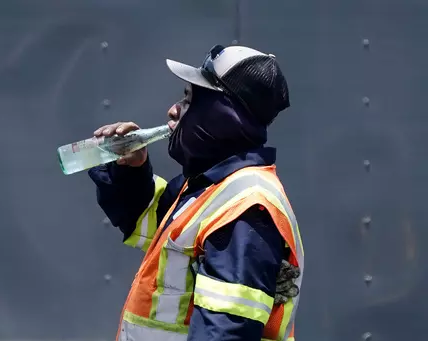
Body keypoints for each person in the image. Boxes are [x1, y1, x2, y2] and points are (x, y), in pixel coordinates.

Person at [88, 44, 304, 341]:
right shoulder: (210, 187)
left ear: (220, 116)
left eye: (189, 100)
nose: (173, 109)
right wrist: (131, 171)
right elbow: (154, 225)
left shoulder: (246, 209)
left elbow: (226, 333)